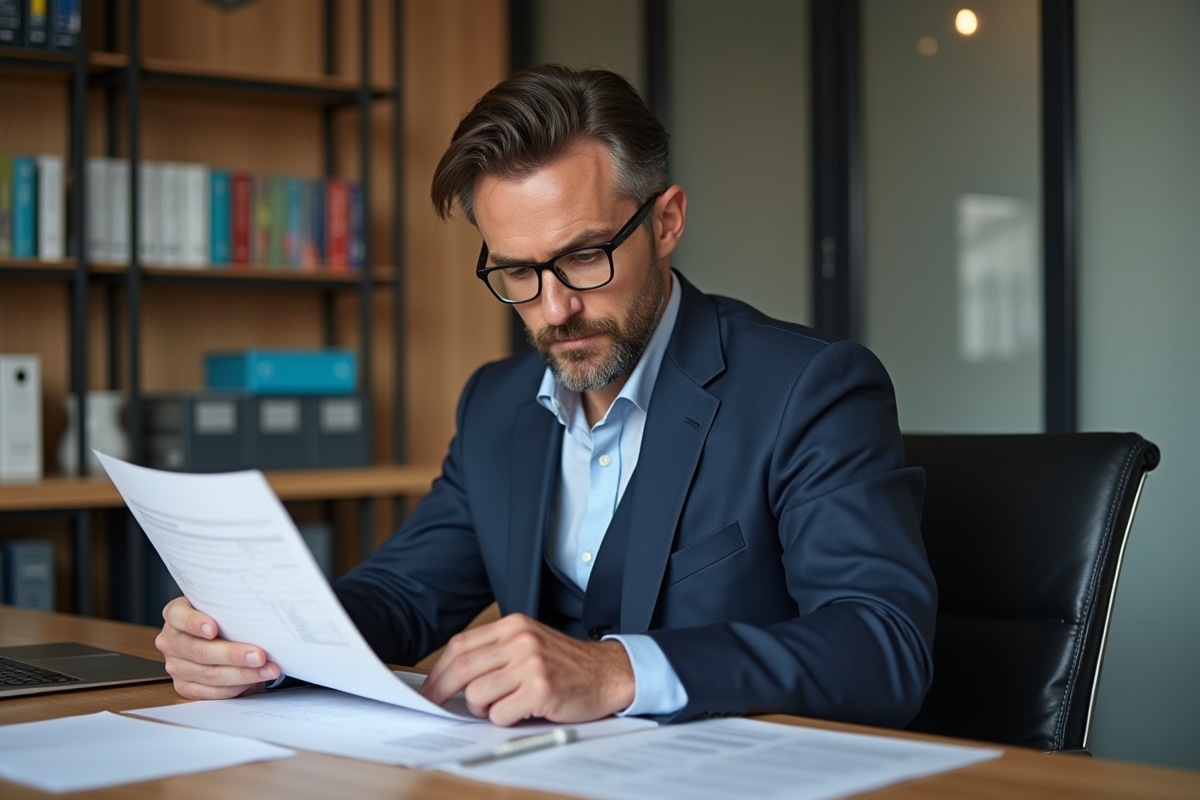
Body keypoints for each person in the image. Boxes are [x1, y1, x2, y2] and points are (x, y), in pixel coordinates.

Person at [155, 65, 936, 728]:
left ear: (666, 222)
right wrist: (258, 645)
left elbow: (884, 644)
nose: (554, 309)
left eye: (585, 256)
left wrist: (619, 671)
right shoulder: (495, 404)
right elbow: (402, 595)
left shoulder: (808, 387)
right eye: (517, 272)